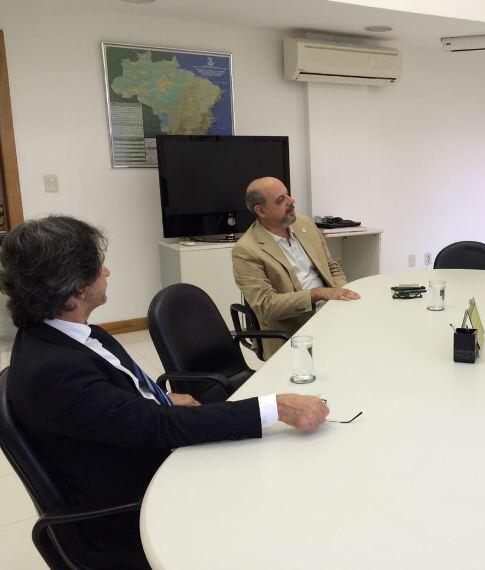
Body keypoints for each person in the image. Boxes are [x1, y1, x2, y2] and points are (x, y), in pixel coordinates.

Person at [0, 216, 329, 570]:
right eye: (99, 266)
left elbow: (113, 402)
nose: (107, 272)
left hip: (138, 458)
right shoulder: (53, 371)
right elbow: (161, 428)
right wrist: (274, 407)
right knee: (284, 495)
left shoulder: (64, 335)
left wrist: (160, 396)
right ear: (76, 287)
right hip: (134, 507)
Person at [232, 177, 360, 359]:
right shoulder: (246, 250)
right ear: (261, 211)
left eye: (287, 194)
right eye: (280, 200)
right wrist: (317, 294)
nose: (291, 201)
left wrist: (343, 293)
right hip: (293, 330)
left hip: (331, 313)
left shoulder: (304, 224)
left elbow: (331, 267)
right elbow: (267, 306)